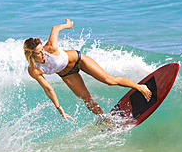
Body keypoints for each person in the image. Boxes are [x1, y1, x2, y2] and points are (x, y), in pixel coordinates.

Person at [24, 19, 152, 120]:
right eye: (39, 53)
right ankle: (105, 119)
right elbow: (48, 88)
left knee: (109, 80)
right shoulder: (34, 70)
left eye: (42, 49)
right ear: (31, 55)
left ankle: (140, 87)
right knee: (87, 99)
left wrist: (68, 25)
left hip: (79, 60)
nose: (43, 53)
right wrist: (59, 108)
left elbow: (55, 28)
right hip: (67, 74)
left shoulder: (51, 47)